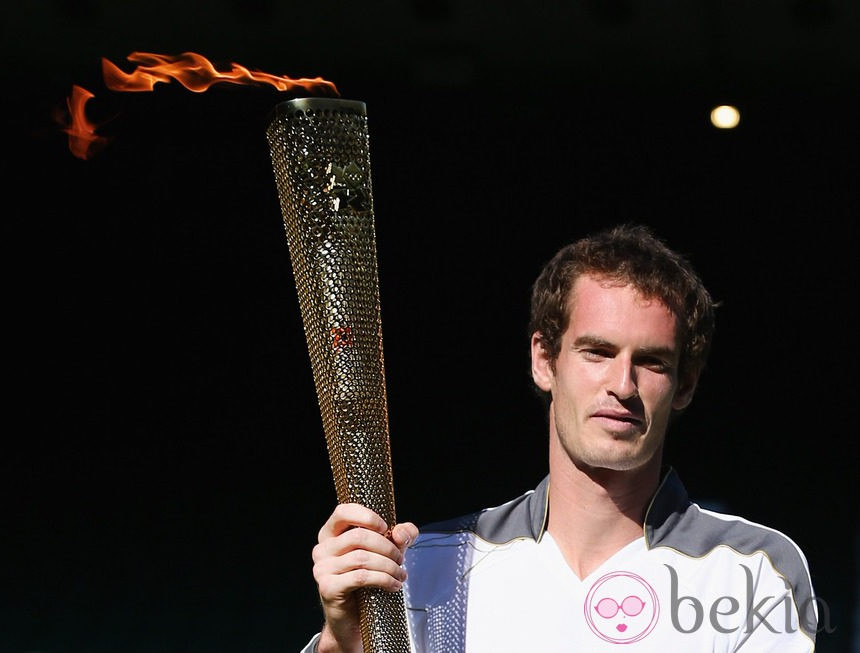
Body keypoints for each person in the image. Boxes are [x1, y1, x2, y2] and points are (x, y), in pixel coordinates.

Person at [300, 223, 818, 652]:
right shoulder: (427, 565)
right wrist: (343, 641)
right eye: (597, 352)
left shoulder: (753, 573)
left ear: (685, 384)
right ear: (544, 360)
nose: (622, 385)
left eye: (652, 362)